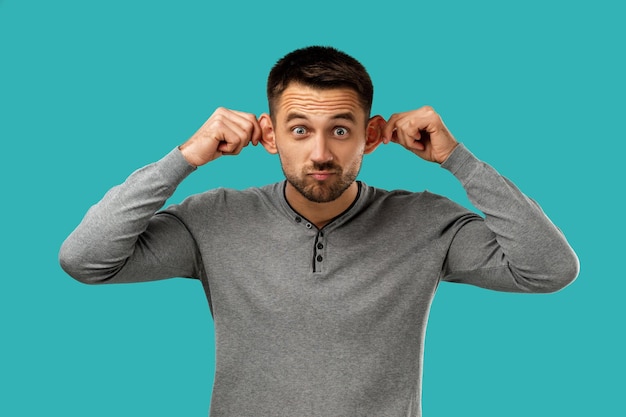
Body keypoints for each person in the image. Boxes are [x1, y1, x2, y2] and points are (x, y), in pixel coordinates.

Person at [59, 46, 579, 417]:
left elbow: (548, 269)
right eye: (300, 130)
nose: (321, 154)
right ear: (269, 134)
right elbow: (86, 259)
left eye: (341, 130)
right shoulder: (212, 220)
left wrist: (457, 160)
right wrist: (185, 157)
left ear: (371, 136)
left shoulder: (428, 223)